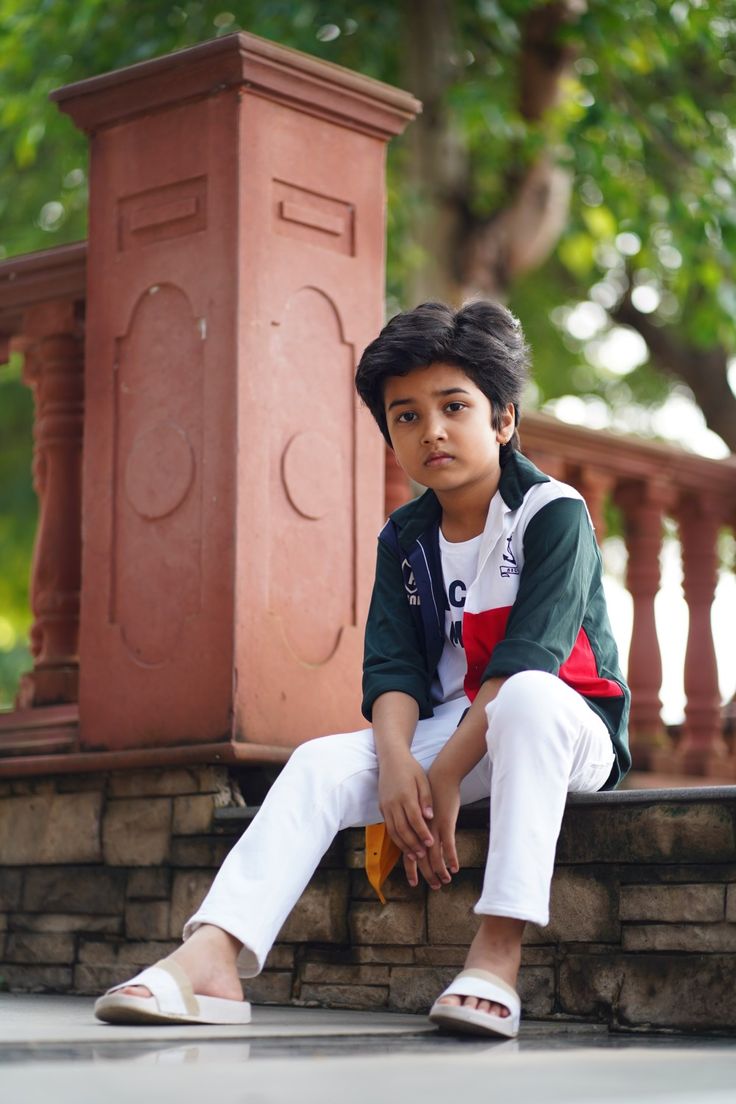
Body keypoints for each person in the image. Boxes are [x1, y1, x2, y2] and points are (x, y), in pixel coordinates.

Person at [94, 300, 630, 1038]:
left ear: (503, 419)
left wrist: (439, 779)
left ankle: (496, 956)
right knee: (318, 762)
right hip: (459, 729)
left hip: (565, 729)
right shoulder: (405, 538)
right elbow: (393, 671)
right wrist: (395, 763)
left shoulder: (551, 512)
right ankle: (211, 960)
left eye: (453, 406)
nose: (431, 430)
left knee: (529, 699)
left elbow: (521, 666)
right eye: (405, 417)